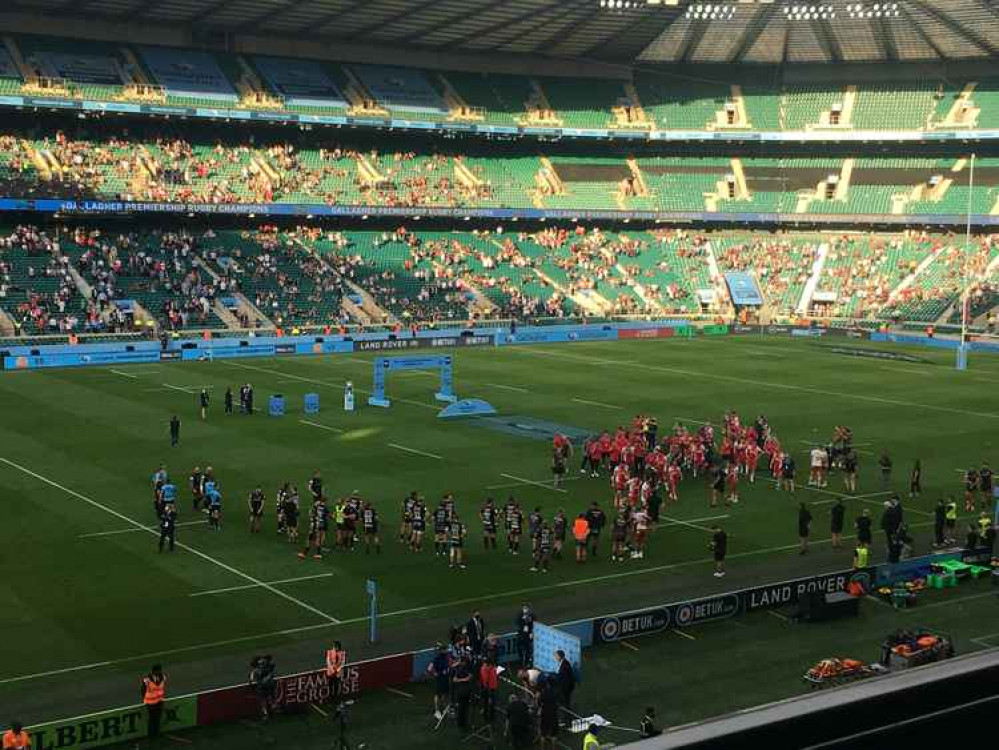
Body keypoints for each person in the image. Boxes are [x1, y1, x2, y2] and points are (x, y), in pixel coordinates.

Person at [140, 664, 167, 738]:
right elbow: (143, 690)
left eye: (159, 670)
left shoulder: (163, 677)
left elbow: (161, 688)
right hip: (150, 702)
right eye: (157, 671)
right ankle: (151, 734)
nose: (158, 672)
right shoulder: (147, 679)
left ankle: (156, 732)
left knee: (158, 717)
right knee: (152, 719)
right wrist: (144, 699)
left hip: (159, 701)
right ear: (153, 671)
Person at [249, 655, 277, 720]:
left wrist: (252, 682)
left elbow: (252, 679)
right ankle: (271, 709)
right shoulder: (261, 669)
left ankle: (268, 711)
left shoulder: (256, 671)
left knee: (264, 699)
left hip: (264, 686)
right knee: (269, 697)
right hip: (267, 685)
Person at [428, 644, 451, 720]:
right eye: (445, 650)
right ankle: (437, 711)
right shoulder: (436, 658)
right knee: (438, 695)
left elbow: (448, 666)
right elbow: (429, 668)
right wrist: (435, 673)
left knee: (444, 694)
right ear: (442, 650)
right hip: (439, 679)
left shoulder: (446, 657)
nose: (447, 651)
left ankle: (444, 709)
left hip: (445, 678)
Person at [537, 680, 559, 749]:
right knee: (554, 735)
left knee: (543, 734)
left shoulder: (542, 694)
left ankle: (542, 748)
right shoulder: (554, 693)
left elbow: (539, 704)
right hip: (553, 714)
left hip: (545, 714)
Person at [554, 649, 575, 714]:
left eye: (556, 656)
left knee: (565, 702)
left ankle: (567, 715)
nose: (555, 657)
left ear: (559, 656)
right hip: (564, 687)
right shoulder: (563, 663)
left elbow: (564, 678)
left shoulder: (565, 664)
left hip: (566, 688)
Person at [479, 659, 498, 723]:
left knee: (488, 702)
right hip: (489, 689)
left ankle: (488, 715)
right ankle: (489, 717)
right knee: (489, 703)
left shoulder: (485, 668)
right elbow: (486, 680)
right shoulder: (486, 669)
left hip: (490, 687)